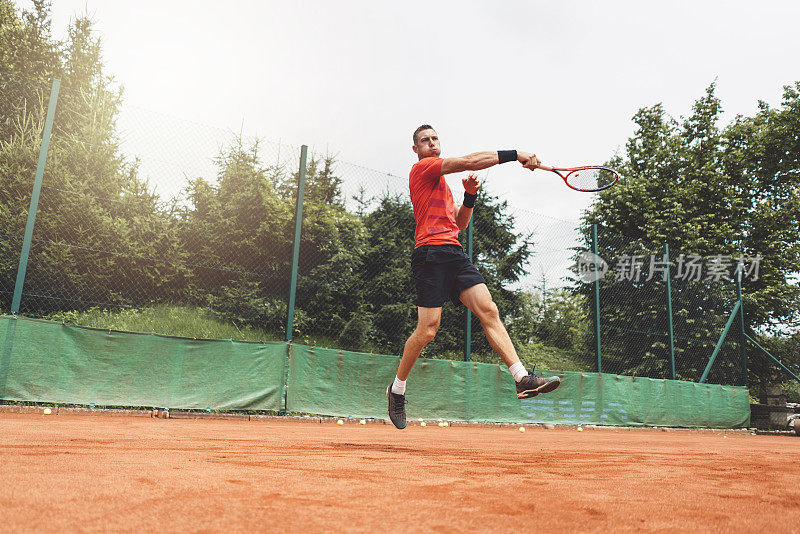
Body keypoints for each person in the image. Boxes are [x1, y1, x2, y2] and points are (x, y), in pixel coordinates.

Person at [387, 124, 561, 430]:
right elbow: (468, 161)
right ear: (416, 150)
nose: (432, 143)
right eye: (425, 141)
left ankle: (521, 378)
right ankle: (397, 389)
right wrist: (516, 154)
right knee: (427, 331)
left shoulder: (441, 185)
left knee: (489, 310)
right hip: (430, 255)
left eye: (435, 139)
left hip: (454, 253)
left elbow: (460, 222)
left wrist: (469, 196)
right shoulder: (423, 170)